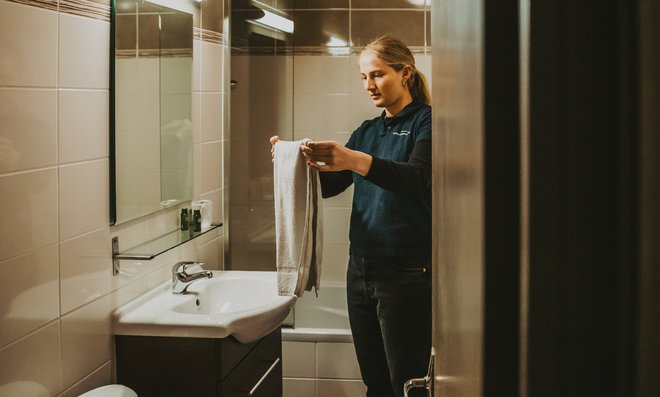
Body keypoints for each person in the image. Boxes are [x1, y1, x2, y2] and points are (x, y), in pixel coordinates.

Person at [271, 35, 432, 397]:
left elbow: (417, 178)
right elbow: (332, 186)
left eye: (377, 75)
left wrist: (353, 159)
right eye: (363, 77)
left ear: (405, 73)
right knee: (374, 379)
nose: (368, 86)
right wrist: (293, 164)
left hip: (407, 270)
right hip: (360, 267)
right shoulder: (368, 130)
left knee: (407, 380)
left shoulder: (428, 122)